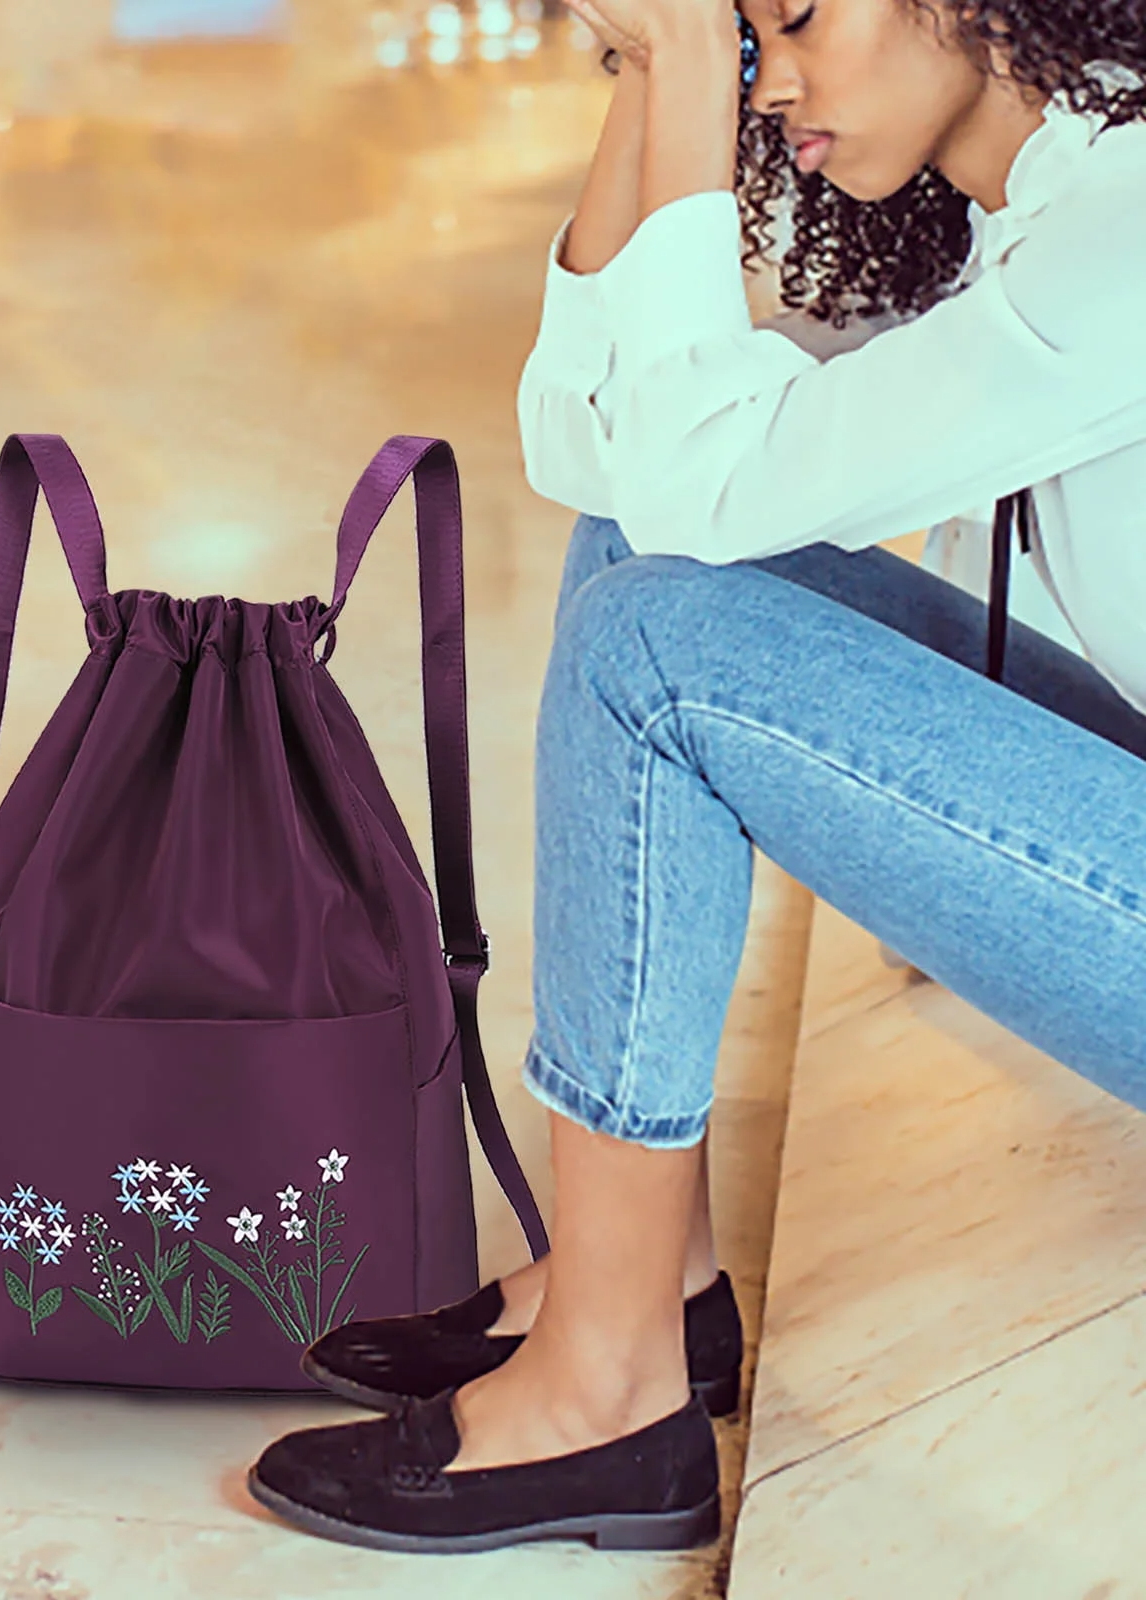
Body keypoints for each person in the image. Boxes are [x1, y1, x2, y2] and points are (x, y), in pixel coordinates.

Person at [243, 0, 1146, 1557]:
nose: (770, 79)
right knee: (643, 559)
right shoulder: (1043, 192)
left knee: (653, 642)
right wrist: (659, 71)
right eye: (744, 36)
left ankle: (607, 1393)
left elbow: (700, 478)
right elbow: (601, 454)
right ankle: (648, 1284)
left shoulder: (1124, 229)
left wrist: (674, 41)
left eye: (791, 18)